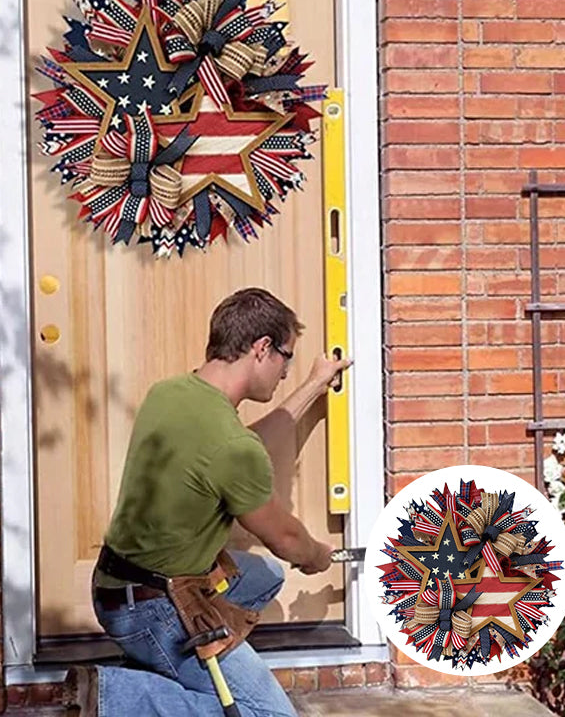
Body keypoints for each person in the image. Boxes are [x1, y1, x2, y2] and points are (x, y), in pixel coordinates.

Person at [65, 288, 351, 716]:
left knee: (264, 577)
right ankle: (113, 697)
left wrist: (314, 384)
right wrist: (317, 556)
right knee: (272, 714)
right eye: (287, 358)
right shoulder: (231, 447)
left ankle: (174, 673)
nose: (286, 371)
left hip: (114, 586)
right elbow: (287, 540)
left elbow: (244, 446)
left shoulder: (173, 393)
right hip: (155, 608)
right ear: (262, 348)